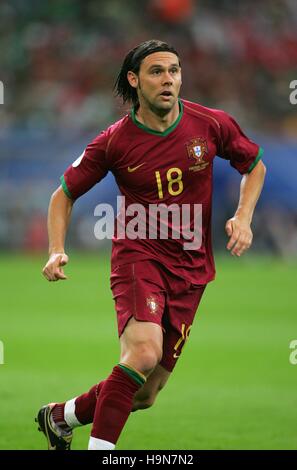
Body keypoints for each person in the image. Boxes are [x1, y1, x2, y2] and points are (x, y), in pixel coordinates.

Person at [37, 39, 266, 450]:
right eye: (157, 72)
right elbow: (63, 194)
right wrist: (56, 248)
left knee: (143, 394)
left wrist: (243, 216)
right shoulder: (115, 141)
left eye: (174, 71)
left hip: (192, 267)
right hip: (139, 256)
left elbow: (253, 165)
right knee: (142, 353)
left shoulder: (210, 124)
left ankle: (60, 416)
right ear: (134, 80)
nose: (168, 80)